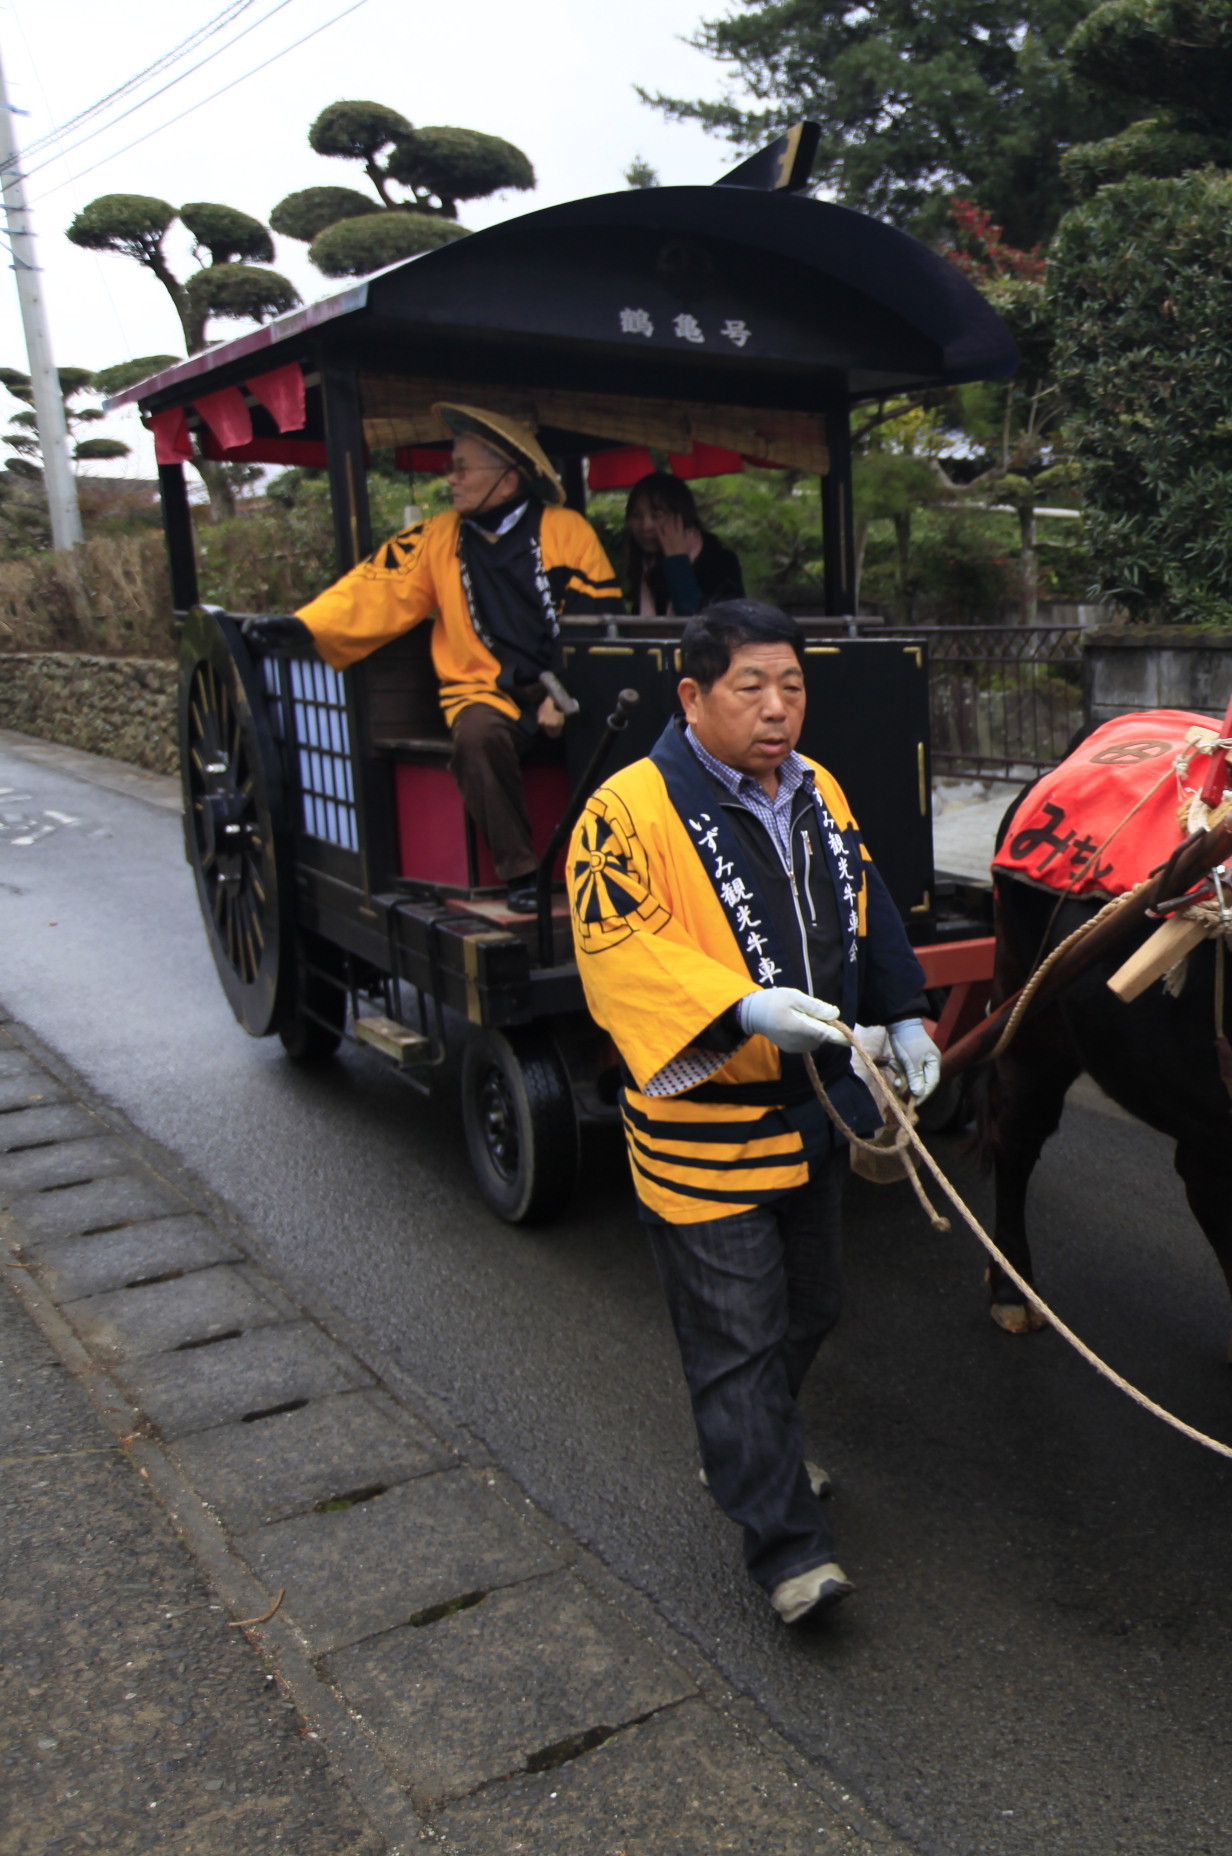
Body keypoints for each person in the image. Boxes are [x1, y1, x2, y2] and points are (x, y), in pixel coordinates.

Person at [564, 599, 941, 1627]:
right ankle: (789, 1550)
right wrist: (739, 1007)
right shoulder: (625, 811)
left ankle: (746, 1445)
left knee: (812, 1307)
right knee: (736, 1338)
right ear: (692, 696)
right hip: (706, 1125)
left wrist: (906, 1013)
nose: (778, 708)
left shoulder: (818, 787)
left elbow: (865, 905)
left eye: (792, 686)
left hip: (813, 1105)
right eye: (751, 688)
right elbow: (621, 950)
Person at [251, 404, 623, 914]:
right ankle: (522, 874)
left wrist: (563, 689)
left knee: (619, 729)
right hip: (482, 688)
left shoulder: (566, 530)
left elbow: (596, 617)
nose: (450, 478)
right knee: (477, 736)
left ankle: (620, 865)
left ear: (508, 479)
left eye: (462, 468)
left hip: (569, 683)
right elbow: (376, 589)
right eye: (451, 467)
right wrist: (305, 626)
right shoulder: (437, 537)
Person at [621, 470, 747, 618]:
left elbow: (703, 622)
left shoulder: (720, 562)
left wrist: (678, 562)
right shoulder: (647, 566)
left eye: (656, 516)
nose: (645, 526)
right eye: (636, 516)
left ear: (682, 518)